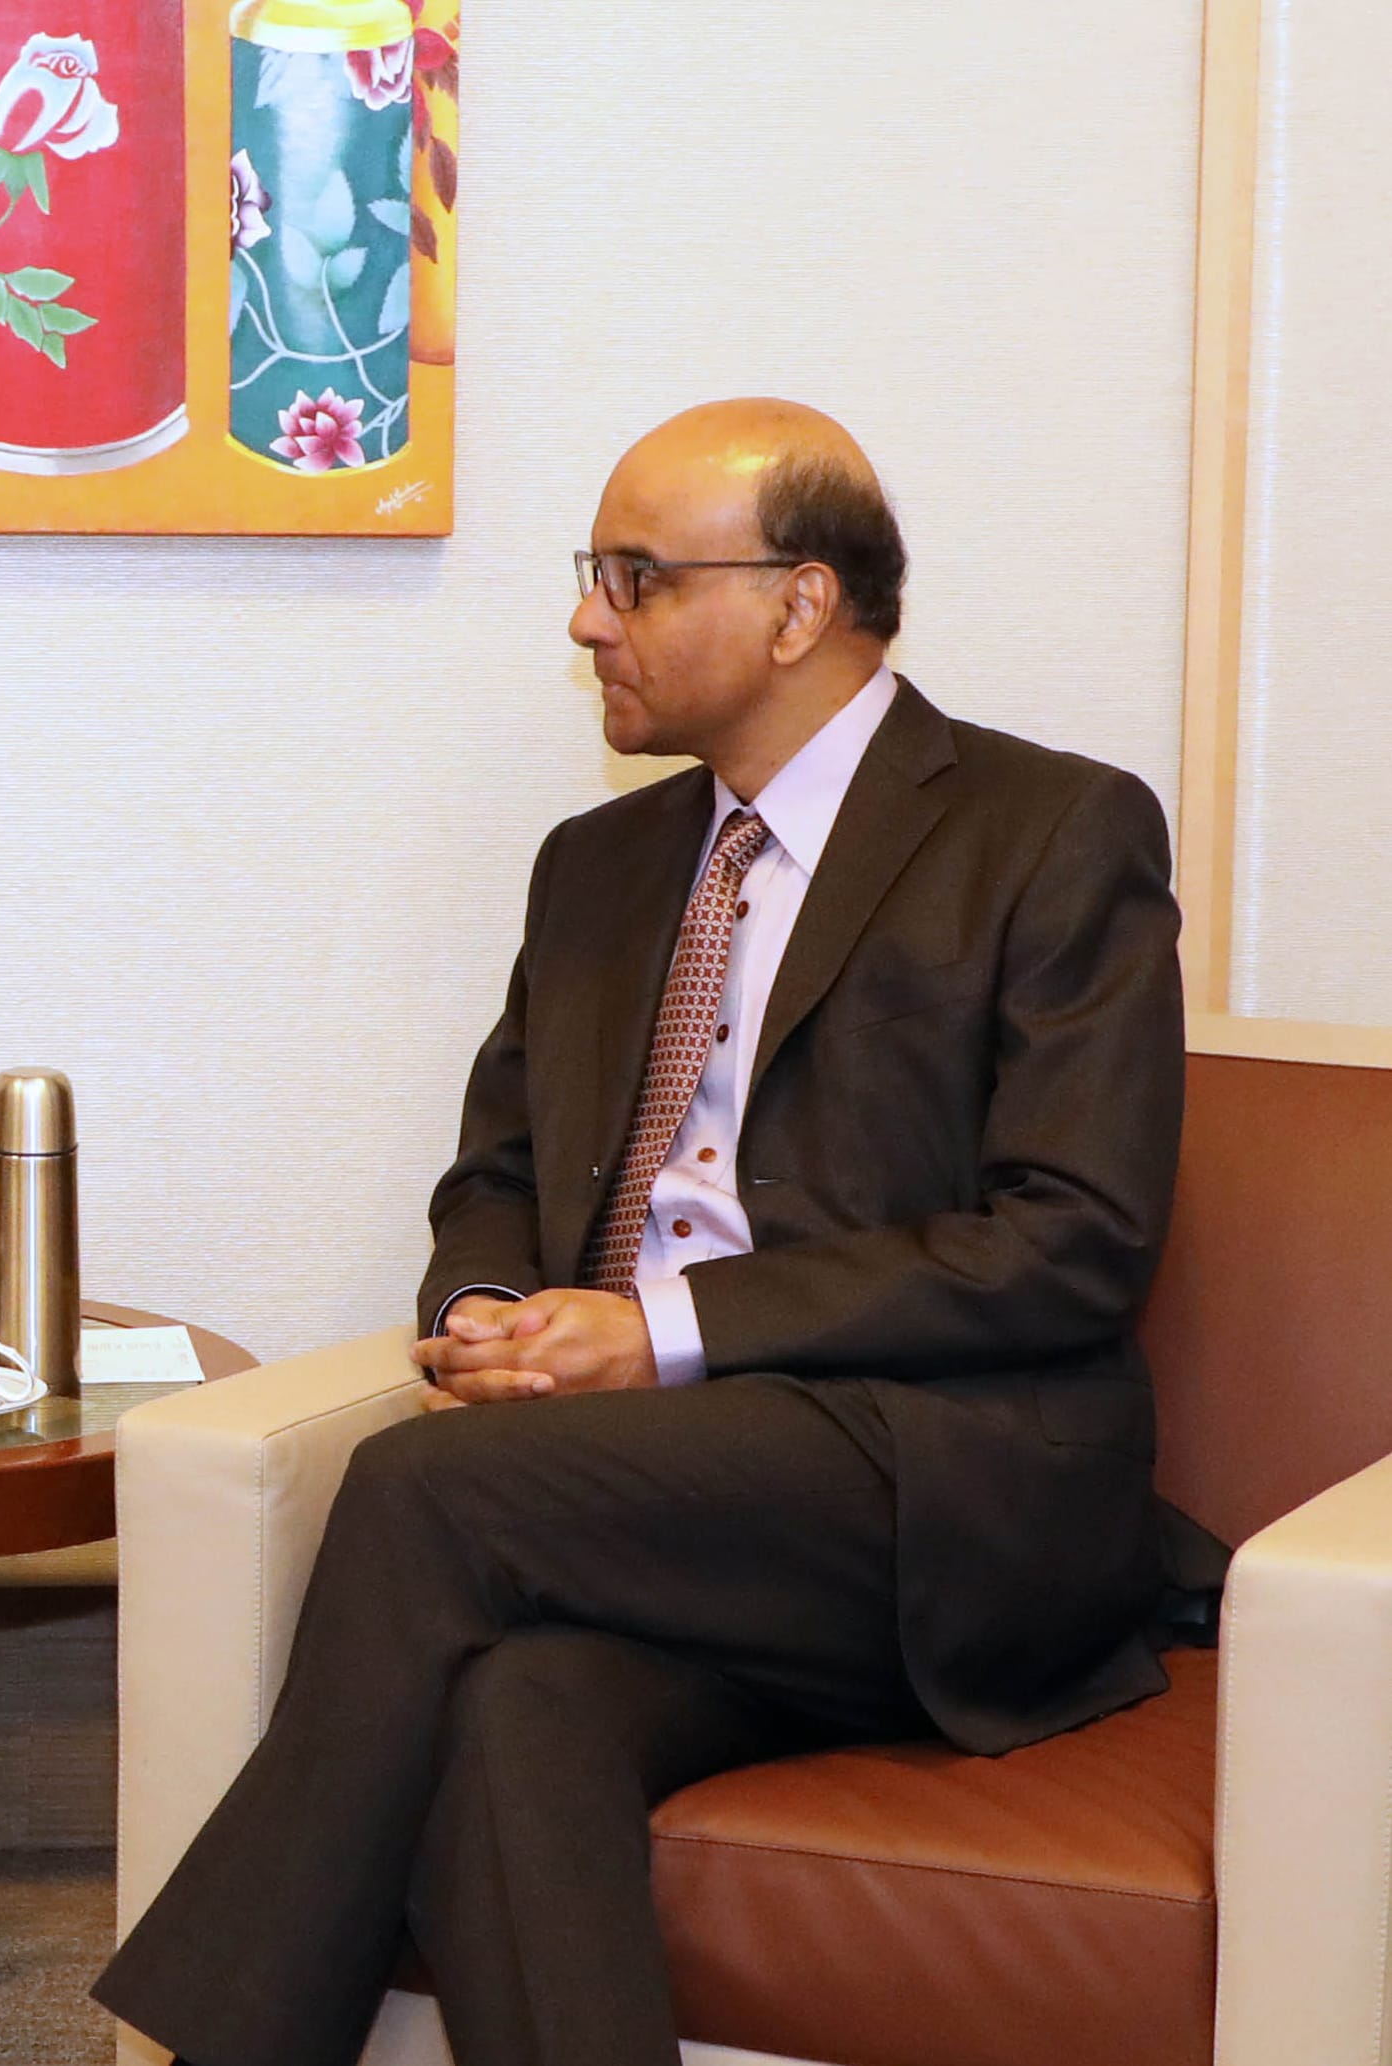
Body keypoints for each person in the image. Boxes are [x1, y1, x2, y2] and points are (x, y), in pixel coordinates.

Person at [93, 399, 1185, 2066]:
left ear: (799, 604)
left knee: (415, 1491)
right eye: (594, 572)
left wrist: (665, 1329)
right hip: (656, 1498)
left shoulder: (1050, 833)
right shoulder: (599, 866)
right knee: (515, 1715)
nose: (588, 616)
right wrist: (486, 1307)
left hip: (929, 1488)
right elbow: (503, 1168)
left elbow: (1076, 1237)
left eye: (637, 574)